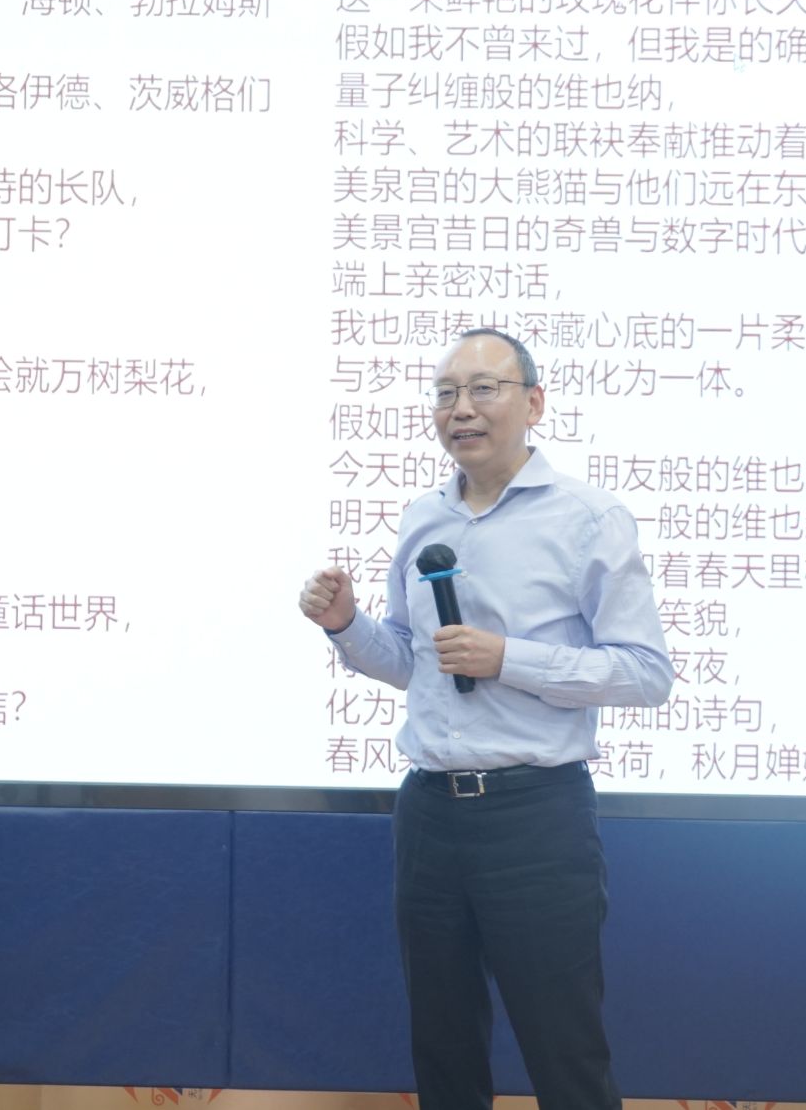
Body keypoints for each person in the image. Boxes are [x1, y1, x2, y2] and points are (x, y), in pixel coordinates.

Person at [299, 327, 672, 1110]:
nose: (460, 408)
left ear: (533, 403)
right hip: (430, 813)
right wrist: (346, 625)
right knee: (442, 1050)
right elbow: (414, 660)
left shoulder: (588, 518)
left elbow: (645, 672)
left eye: (482, 389)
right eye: (445, 393)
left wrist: (510, 658)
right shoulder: (422, 518)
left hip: (534, 817)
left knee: (564, 1053)